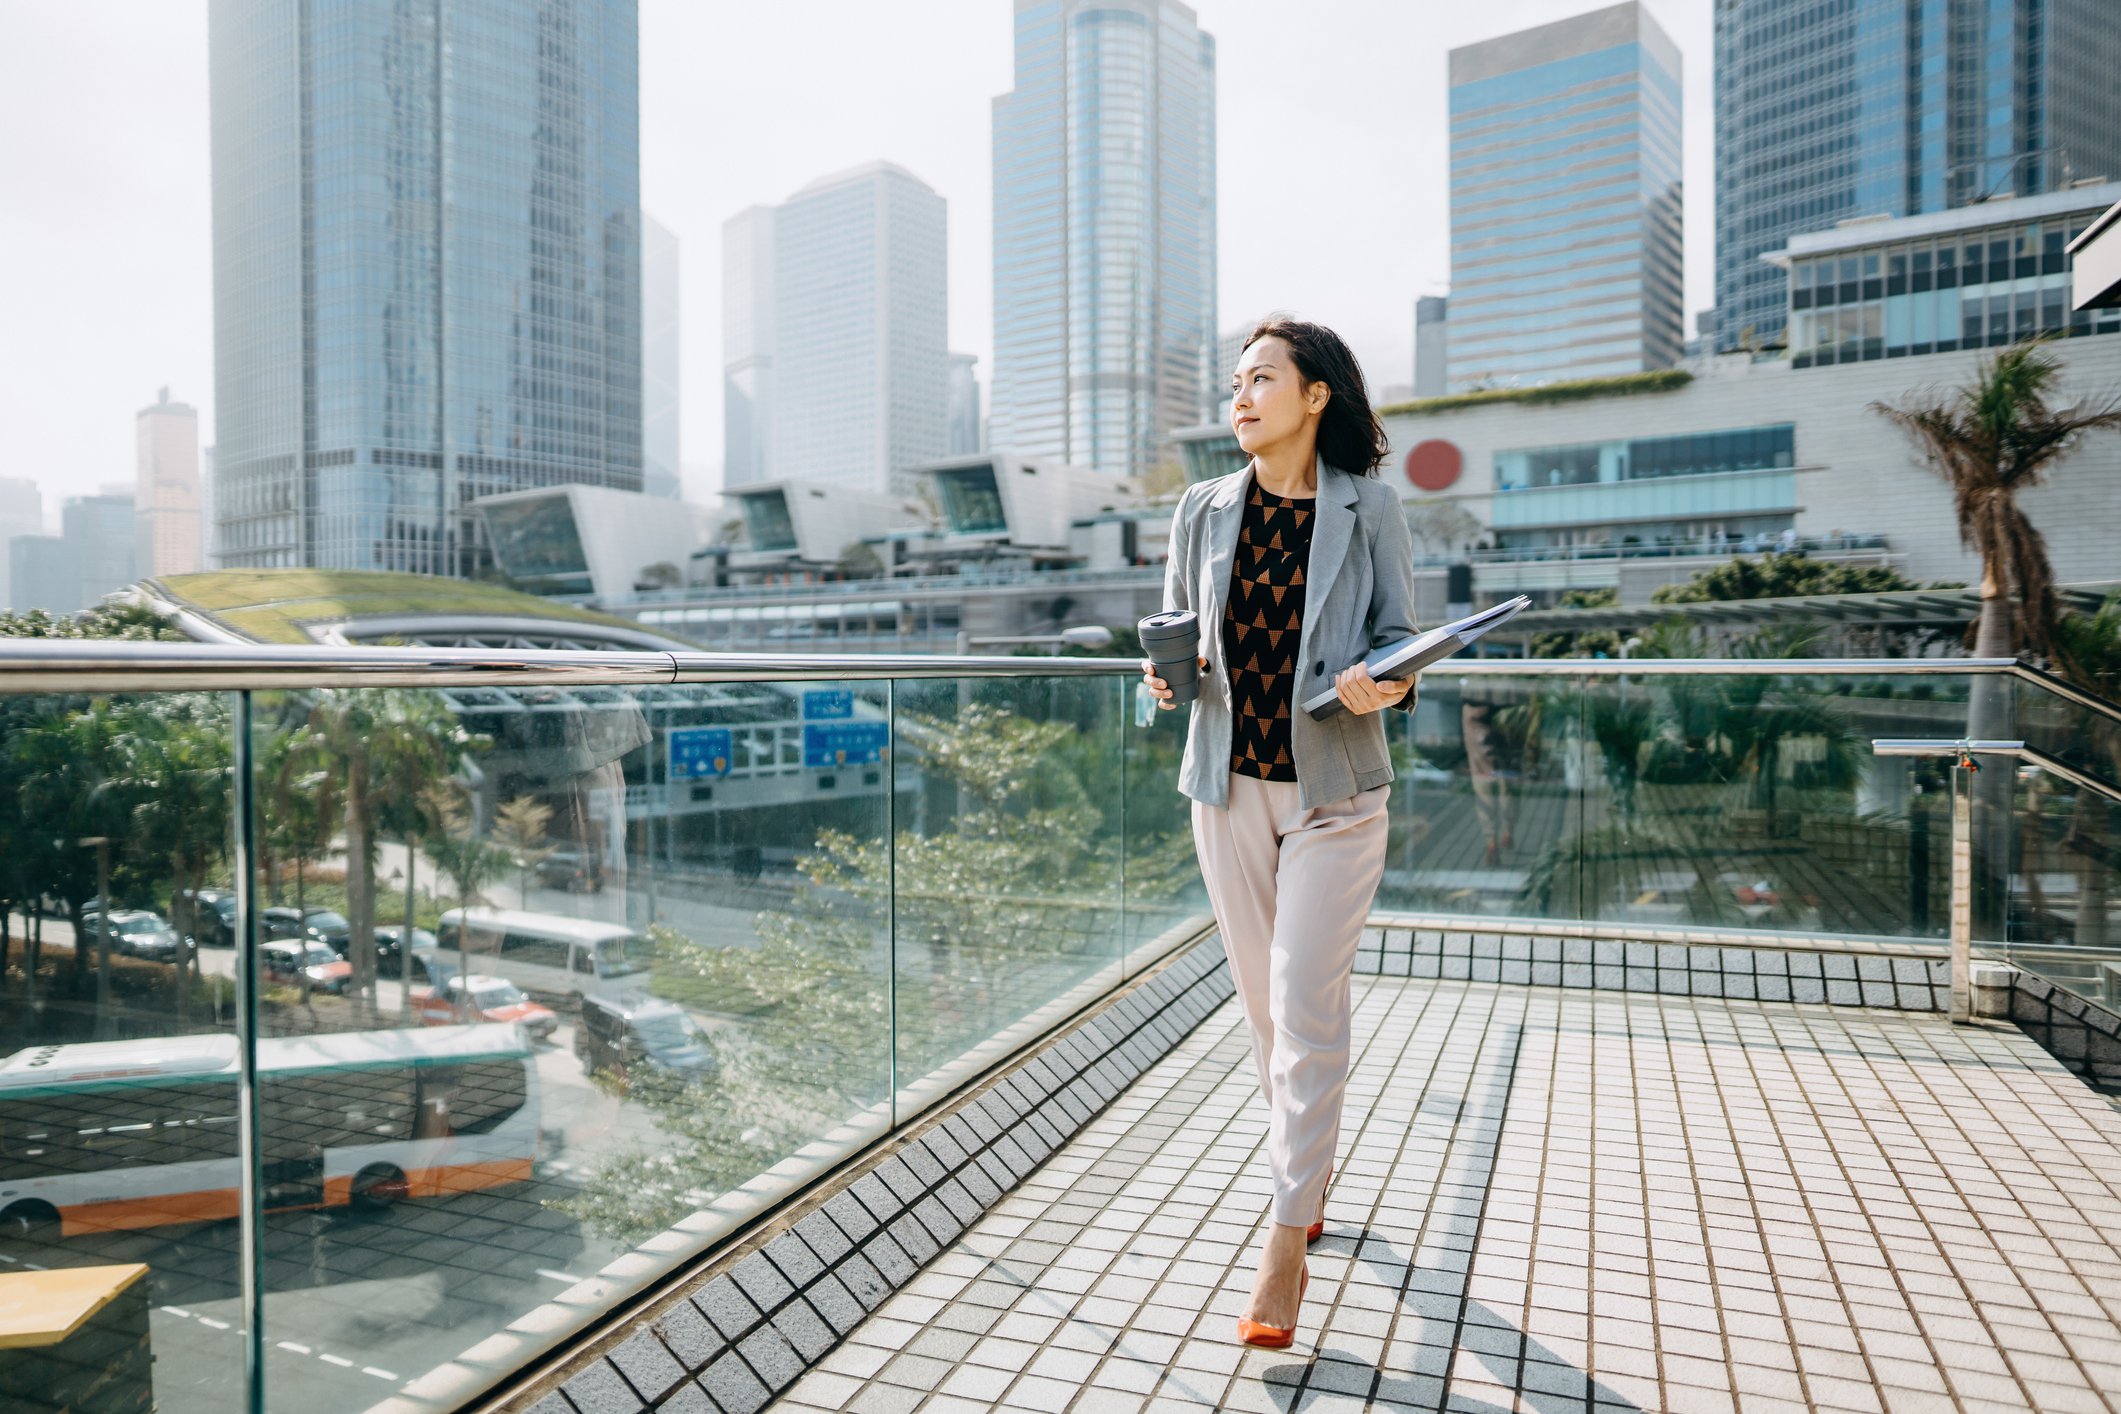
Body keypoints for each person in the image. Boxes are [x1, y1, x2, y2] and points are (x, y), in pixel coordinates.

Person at [1141, 316, 1416, 1349]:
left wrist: (1381, 676)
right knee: (1267, 1020)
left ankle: (1284, 1246)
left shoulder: (1370, 508)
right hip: (1227, 789)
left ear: (1316, 398)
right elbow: (1178, 630)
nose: (1241, 397)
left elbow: (1402, 638)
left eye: (1263, 379)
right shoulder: (1201, 509)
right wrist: (1167, 678)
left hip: (1334, 793)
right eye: (1235, 382)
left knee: (1305, 1007)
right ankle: (1313, 1173)